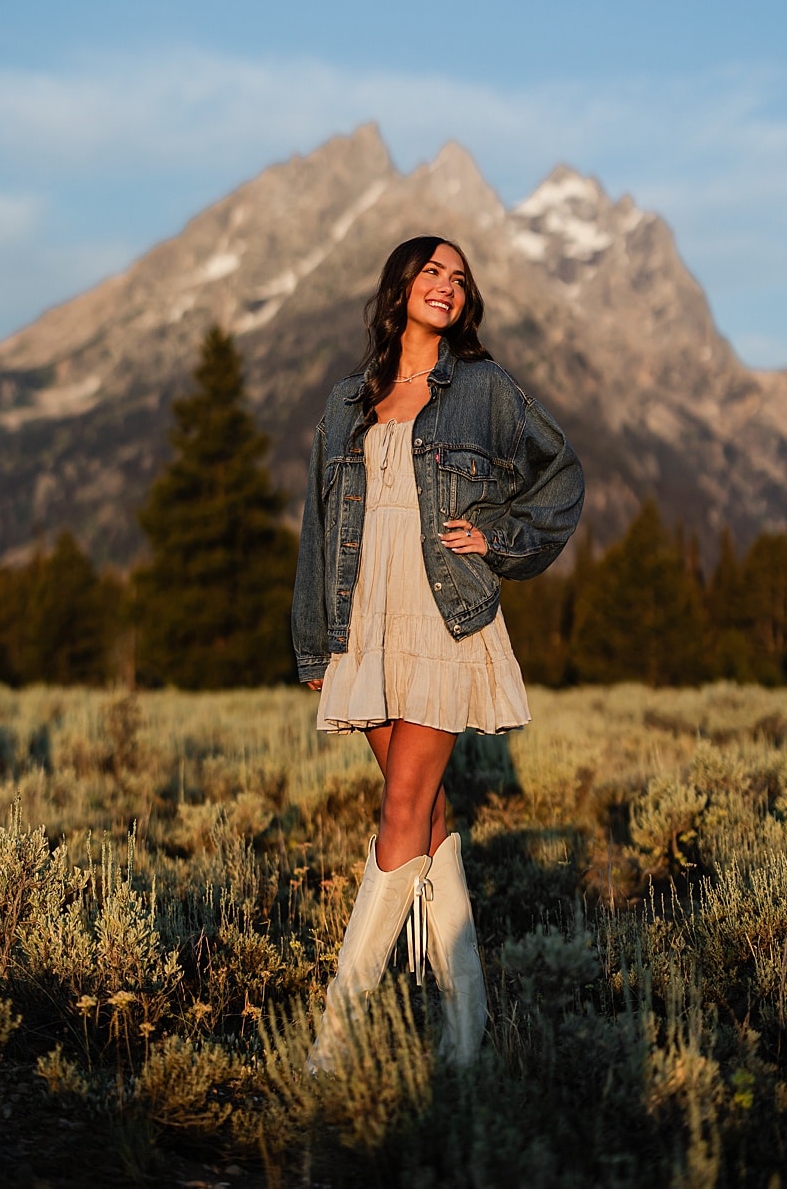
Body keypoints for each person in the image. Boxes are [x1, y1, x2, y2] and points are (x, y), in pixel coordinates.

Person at [291, 235, 584, 1071]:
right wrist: (316, 639)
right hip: (365, 621)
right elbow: (319, 524)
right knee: (425, 816)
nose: (448, 286)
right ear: (400, 288)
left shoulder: (484, 389)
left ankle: (333, 1042)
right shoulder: (349, 402)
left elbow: (560, 471)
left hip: (444, 615)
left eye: (460, 279)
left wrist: (499, 533)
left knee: (400, 810)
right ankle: (467, 1039)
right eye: (433, 272)